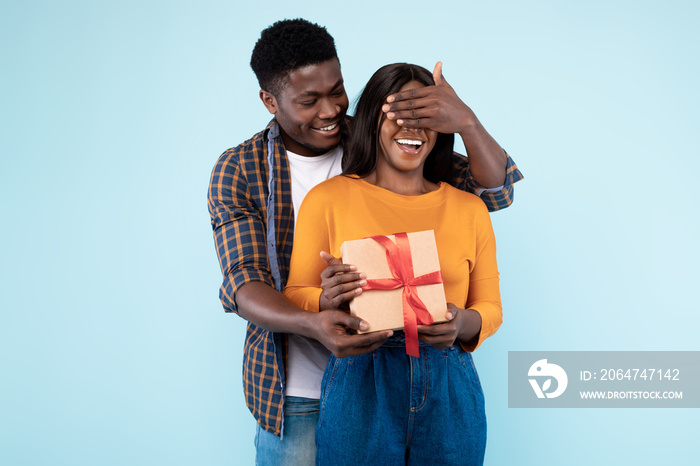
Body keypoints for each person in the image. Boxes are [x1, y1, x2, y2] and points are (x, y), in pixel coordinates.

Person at [207, 19, 522, 465]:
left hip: (431, 378)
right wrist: (318, 314)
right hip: (299, 386)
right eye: (308, 100)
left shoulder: (385, 131)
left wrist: (465, 119)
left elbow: (495, 190)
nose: (331, 110)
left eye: (336, 90)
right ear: (270, 101)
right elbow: (244, 286)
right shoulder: (242, 169)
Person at [284, 63, 500, 465]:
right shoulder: (328, 200)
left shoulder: (469, 209)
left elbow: (490, 308)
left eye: (425, 118)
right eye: (399, 115)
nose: (412, 129)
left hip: (448, 382)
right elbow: (296, 293)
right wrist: (326, 300)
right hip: (361, 376)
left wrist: (460, 324)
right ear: (372, 120)